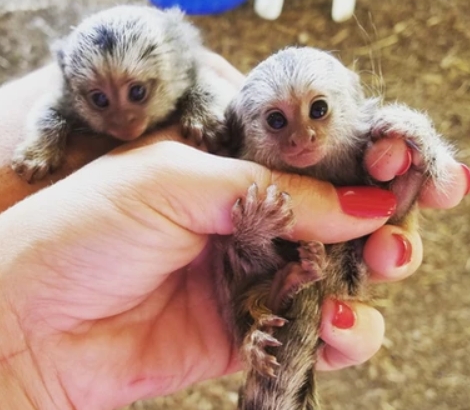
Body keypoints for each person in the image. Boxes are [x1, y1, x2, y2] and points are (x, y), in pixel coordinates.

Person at [0, 53, 468, 410]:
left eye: (319, 110)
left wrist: (420, 144)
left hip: (333, 273)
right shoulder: (236, 183)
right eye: (276, 121)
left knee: (385, 207)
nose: (300, 137)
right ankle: (268, 319)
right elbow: (239, 260)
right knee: (248, 243)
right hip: (261, 294)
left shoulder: (376, 142)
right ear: (243, 138)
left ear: (351, 104)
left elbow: (405, 201)